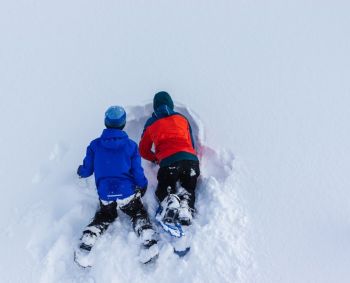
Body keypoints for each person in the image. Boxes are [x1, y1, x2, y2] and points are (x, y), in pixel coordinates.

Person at [76, 106, 158, 264]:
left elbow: (86, 170)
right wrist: (142, 185)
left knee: (105, 215)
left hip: (106, 194)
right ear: (123, 124)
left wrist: (80, 171)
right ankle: (147, 236)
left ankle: (90, 235)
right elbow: (137, 171)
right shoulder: (131, 146)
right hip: (126, 193)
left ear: (106, 122)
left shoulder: (95, 145)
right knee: (137, 213)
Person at [139, 91, 200, 227]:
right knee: (188, 188)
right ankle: (185, 208)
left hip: (169, 162)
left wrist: (155, 159)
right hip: (190, 160)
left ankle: (170, 201)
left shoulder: (151, 123)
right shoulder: (182, 118)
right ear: (171, 105)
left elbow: (143, 150)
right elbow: (191, 143)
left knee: (165, 189)